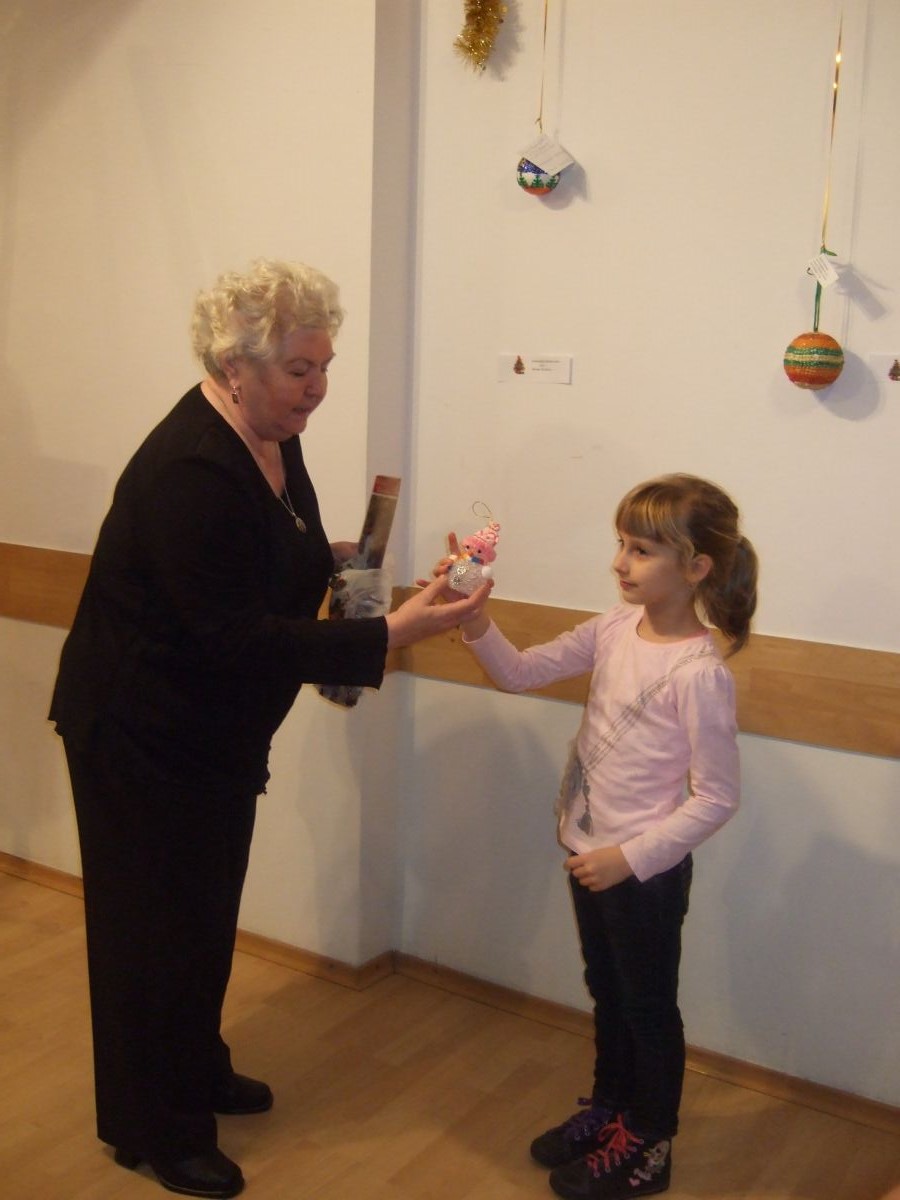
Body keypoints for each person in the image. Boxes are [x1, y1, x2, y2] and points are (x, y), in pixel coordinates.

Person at [48, 258, 491, 1199]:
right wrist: (392, 632)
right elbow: (230, 635)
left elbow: (258, 553)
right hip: (139, 735)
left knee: (203, 915)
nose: (317, 387)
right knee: (149, 936)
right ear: (234, 364)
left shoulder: (268, 435)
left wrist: (337, 558)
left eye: (324, 365)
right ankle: (154, 1129)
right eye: (299, 368)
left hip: (211, 735)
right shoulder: (191, 465)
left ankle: (194, 1069)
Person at [447, 474, 757, 1200]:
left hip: (643, 873)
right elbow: (521, 674)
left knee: (647, 1008)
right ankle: (613, 1110)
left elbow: (718, 797)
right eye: (622, 543)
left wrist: (629, 858)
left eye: (642, 550)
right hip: (590, 855)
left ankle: (649, 1143)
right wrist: (474, 617)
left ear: (697, 567)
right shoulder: (616, 627)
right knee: (608, 992)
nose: (620, 562)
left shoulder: (699, 672)